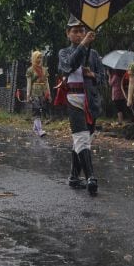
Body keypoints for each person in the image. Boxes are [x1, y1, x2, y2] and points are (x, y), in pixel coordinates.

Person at [57, 16, 104, 195]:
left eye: (81, 31)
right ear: (68, 34)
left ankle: (74, 176)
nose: (79, 34)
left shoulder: (93, 54)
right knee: (82, 138)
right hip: (73, 99)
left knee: (85, 140)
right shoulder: (64, 53)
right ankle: (91, 176)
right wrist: (84, 44)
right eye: (75, 31)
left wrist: (92, 74)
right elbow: (69, 66)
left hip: (91, 101)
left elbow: (102, 78)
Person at [24, 50, 50, 137]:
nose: (39, 59)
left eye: (40, 57)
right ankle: (39, 130)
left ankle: (36, 128)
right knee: (36, 109)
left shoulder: (44, 70)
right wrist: (28, 94)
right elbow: (29, 83)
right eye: (37, 57)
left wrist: (48, 93)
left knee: (41, 109)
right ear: (34, 58)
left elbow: (47, 82)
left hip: (43, 92)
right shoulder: (30, 70)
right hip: (34, 92)